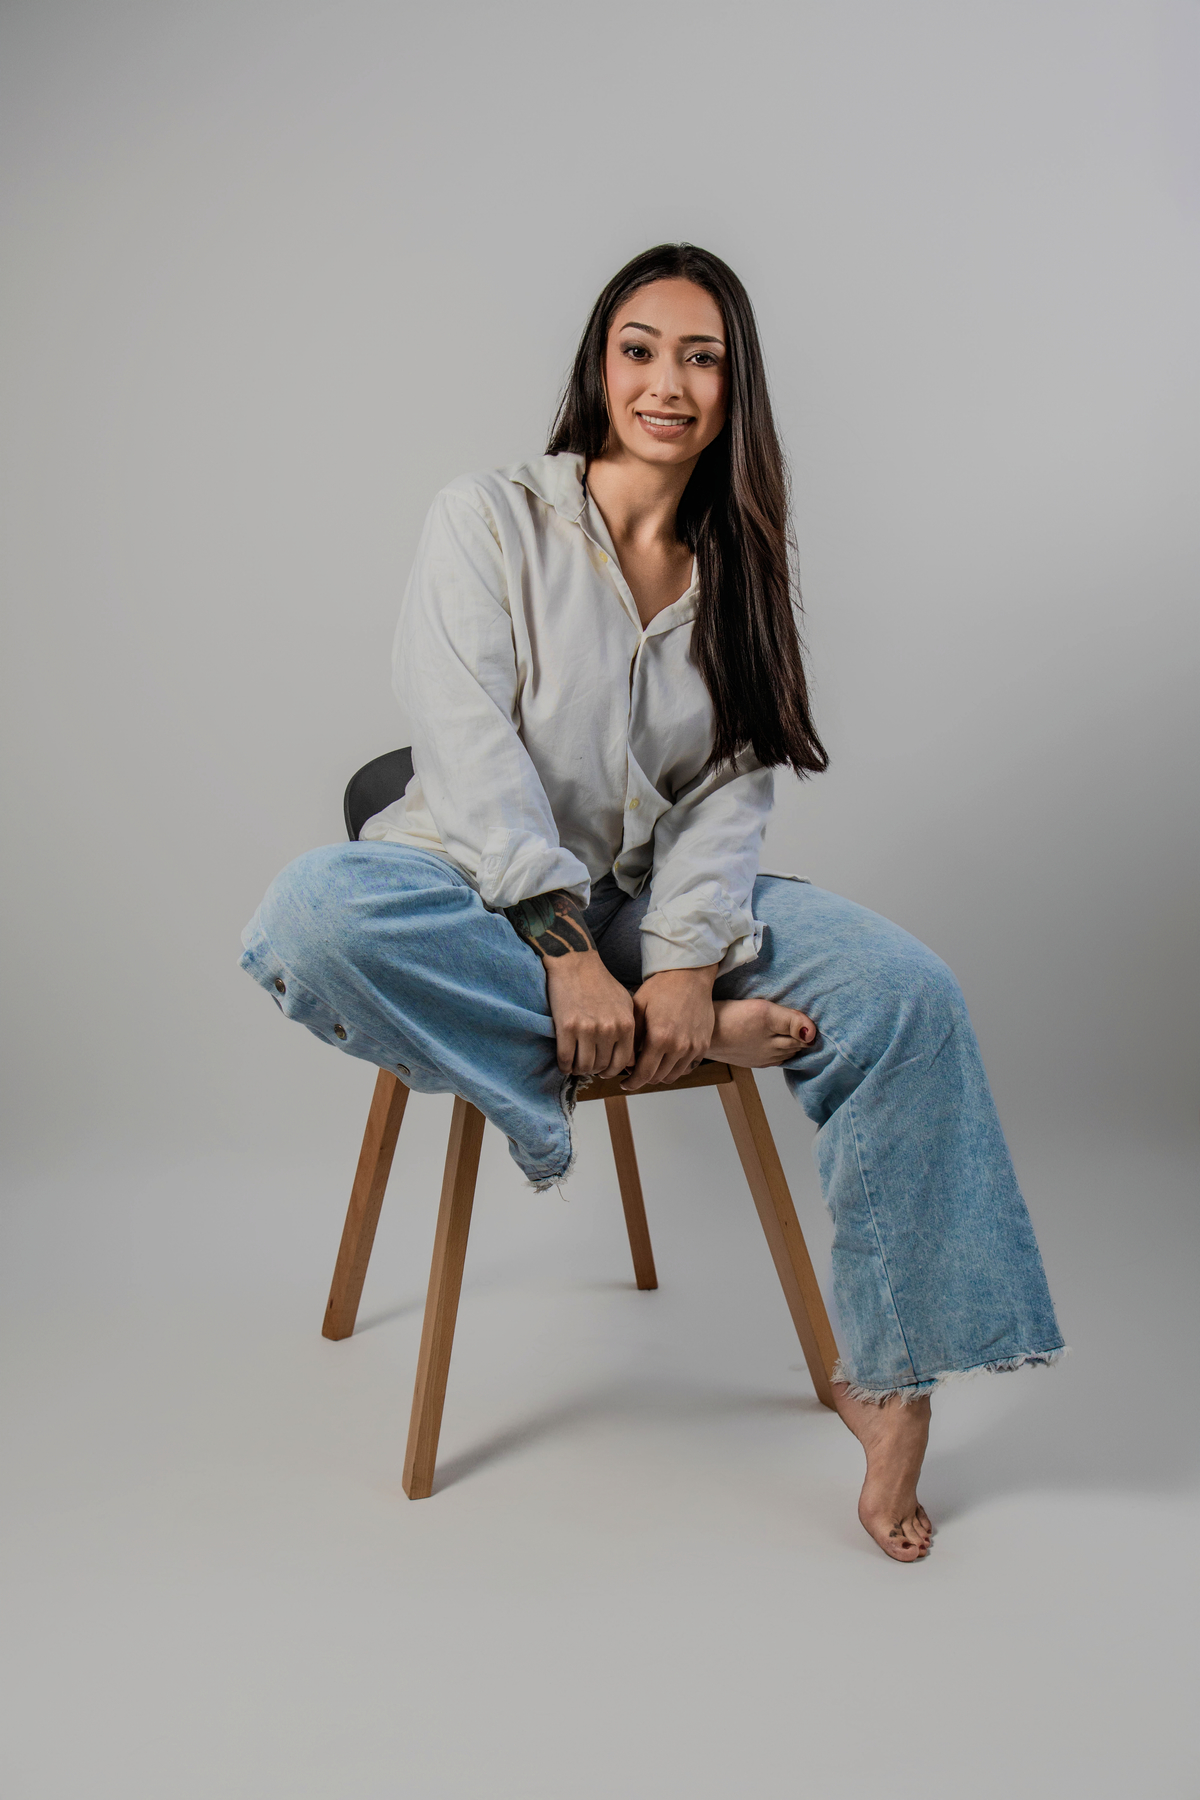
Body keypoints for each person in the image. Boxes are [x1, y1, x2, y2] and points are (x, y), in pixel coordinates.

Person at [240, 243, 1064, 1561]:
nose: (665, 383)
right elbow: (470, 753)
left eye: (701, 357)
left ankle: (896, 1381)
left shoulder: (739, 571)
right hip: (468, 884)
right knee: (312, 918)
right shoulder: (487, 516)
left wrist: (681, 963)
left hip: (649, 904)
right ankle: (638, 1030)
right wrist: (567, 956)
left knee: (905, 991)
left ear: (736, 388)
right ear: (599, 366)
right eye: (639, 349)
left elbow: (729, 799)